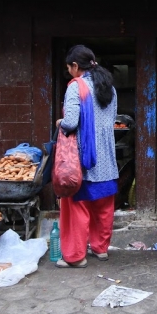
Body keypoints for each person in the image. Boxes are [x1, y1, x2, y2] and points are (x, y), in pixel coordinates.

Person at [55, 45, 119, 268]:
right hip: (107, 158)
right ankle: (101, 249)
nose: (69, 72)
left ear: (75, 66)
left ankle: (75, 256)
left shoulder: (76, 87)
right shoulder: (109, 88)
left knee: (77, 207)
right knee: (103, 206)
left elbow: (71, 122)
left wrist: (59, 123)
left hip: (84, 159)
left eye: (69, 68)